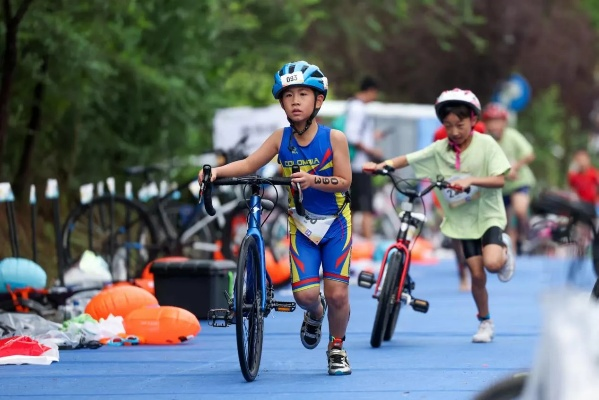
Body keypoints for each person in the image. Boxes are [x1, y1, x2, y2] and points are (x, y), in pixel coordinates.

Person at [198, 61, 352, 375]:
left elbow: (345, 181)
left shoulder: (335, 138)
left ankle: (336, 347)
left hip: (336, 223)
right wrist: (214, 173)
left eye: (303, 94)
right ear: (281, 103)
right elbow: (249, 164)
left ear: (318, 100)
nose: (295, 101)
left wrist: (313, 180)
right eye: (288, 95)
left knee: (337, 293)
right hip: (301, 225)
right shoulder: (281, 139)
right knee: (307, 296)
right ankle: (314, 313)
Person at [363, 88, 516, 343]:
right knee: (477, 276)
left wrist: (471, 181)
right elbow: (408, 158)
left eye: (460, 124)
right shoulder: (439, 148)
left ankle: (503, 250)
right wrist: (380, 166)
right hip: (462, 220)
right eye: (448, 126)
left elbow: (500, 179)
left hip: (487, 214)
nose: (454, 131)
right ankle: (485, 322)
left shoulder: (486, 144)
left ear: (474, 121)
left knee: (492, 264)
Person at [482, 103, 536, 254]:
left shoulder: (512, 135)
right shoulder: (485, 140)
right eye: (491, 122)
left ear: (504, 122)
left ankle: (525, 233)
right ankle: (510, 250)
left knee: (519, 209)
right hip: (501, 186)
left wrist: (515, 167)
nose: (494, 126)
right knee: (503, 222)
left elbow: (529, 154)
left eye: (498, 121)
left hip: (519, 181)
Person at [344, 77, 383, 240]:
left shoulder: (351, 105)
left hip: (355, 164)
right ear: (371, 90)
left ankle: (349, 240)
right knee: (366, 206)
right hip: (359, 164)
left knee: (353, 205)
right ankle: (369, 242)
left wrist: (373, 137)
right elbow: (352, 136)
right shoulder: (358, 108)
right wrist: (372, 150)